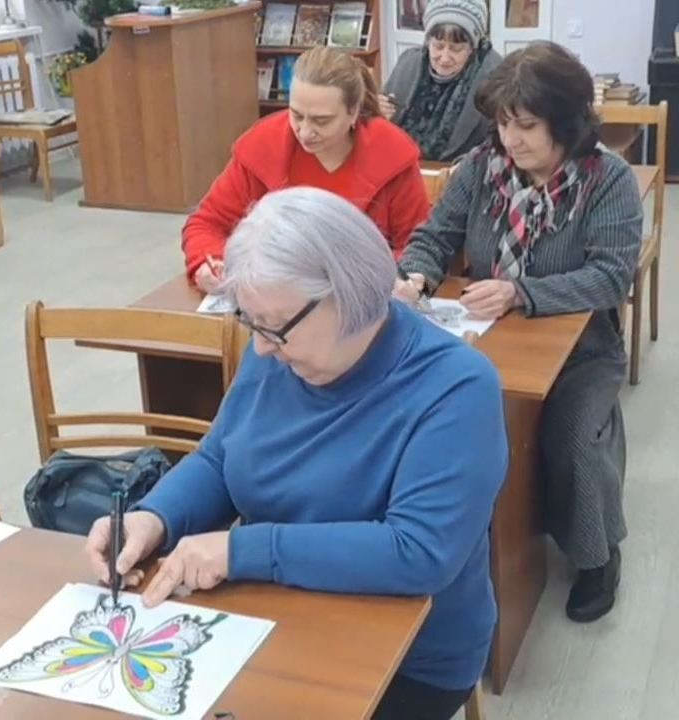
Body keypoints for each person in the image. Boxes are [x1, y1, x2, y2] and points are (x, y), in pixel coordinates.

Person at [88, 187, 508, 720]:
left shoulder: (456, 386)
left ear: (349, 295)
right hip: (272, 607)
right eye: (252, 323)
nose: (261, 347)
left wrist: (241, 551)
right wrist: (155, 518)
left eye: (275, 328)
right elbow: (220, 458)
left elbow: (418, 552)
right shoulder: (279, 349)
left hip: (406, 656)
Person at [396, 42, 642, 623]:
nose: (511, 139)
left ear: (567, 122)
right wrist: (415, 278)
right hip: (483, 340)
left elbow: (610, 276)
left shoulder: (607, 179)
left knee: (572, 437)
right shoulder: (481, 169)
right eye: (504, 123)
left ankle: (597, 554)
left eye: (527, 126)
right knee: (437, 427)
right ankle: (470, 554)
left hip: (583, 351)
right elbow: (435, 236)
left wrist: (520, 292)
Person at [184, 46, 431, 294]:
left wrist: (397, 280)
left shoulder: (392, 155)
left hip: (362, 294)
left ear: (354, 112)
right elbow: (206, 224)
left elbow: (417, 245)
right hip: (273, 298)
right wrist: (207, 264)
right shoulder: (262, 146)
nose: (304, 132)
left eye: (321, 120)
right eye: (296, 115)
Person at [381, 0, 502, 162]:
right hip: (405, 168)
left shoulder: (494, 79)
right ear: (427, 42)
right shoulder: (407, 64)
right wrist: (377, 115)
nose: (444, 58)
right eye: (438, 46)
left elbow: (497, 147)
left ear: (473, 47)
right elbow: (379, 133)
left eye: (456, 49)